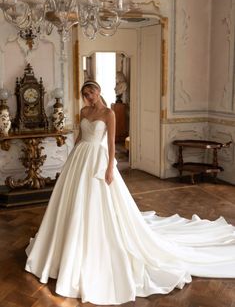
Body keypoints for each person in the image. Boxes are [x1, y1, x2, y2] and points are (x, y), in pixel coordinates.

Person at [25, 80, 235, 305]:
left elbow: (111, 143)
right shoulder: (84, 111)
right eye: (85, 93)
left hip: (98, 159)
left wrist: (109, 167)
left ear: (99, 91)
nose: (89, 96)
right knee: (72, 202)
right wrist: (71, 157)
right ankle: (67, 245)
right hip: (80, 158)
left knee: (98, 201)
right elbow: (80, 137)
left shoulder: (109, 113)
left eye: (92, 92)